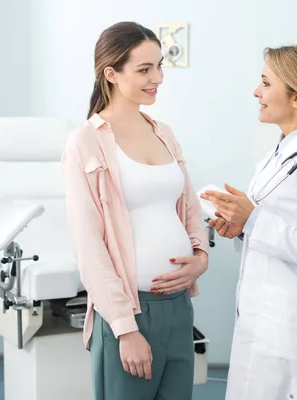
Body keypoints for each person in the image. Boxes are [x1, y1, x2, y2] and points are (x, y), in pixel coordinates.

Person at [61, 21, 209, 400]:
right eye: (144, 69)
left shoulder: (164, 132)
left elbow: (189, 207)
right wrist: (126, 329)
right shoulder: (85, 143)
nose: (156, 77)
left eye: (159, 66)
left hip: (178, 308)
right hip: (129, 313)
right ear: (111, 73)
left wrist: (200, 256)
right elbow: (89, 245)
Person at [201, 44, 297, 399]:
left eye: (266, 83)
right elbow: (271, 229)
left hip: (287, 326)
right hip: (259, 317)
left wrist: (253, 221)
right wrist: (238, 227)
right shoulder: (281, 151)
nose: (256, 91)